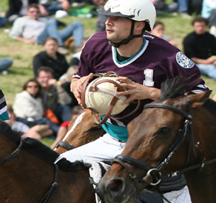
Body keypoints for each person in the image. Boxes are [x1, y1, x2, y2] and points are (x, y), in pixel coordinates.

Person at [57, 0, 207, 201]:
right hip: (112, 138)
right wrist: (76, 85)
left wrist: (150, 93)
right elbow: (79, 76)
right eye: (108, 16)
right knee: (59, 166)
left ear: (139, 25)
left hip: (154, 147)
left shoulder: (169, 56)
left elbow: (199, 99)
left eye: (117, 18)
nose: (108, 22)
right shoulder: (95, 43)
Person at [9, 4, 84, 54]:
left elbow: (60, 24)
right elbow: (13, 35)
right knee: (51, 21)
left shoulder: (43, 19)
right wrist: (27, 40)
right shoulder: (21, 20)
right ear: (27, 12)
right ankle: (60, 46)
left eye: (37, 12)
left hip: (54, 36)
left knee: (77, 23)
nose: (35, 13)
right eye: (32, 12)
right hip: (40, 38)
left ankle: (77, 47)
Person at [183, 16, 216, 81]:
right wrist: (206, 62)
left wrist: (213, 59)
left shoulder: (211, 38)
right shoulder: (188, 39)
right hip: (196, 64)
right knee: (210, 68)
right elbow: (190, 58)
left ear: (206, 26)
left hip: (211, 61)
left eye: (202, 26)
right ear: (194, 26)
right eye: (198, 26)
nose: (200, 28)